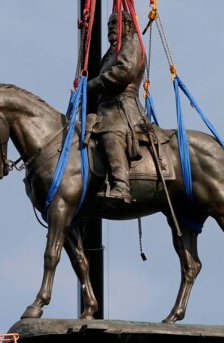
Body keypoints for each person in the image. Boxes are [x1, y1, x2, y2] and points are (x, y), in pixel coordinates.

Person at [87, 10, 146, 205]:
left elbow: (124, 72)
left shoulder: (131, 42)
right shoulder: (110, 53)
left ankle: (121, 186)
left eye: (115, 23)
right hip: (106, 107)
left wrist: (91, 85)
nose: (111, 26)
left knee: (110, 134)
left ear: (127, 25)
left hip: (122, 108)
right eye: (109, 23)